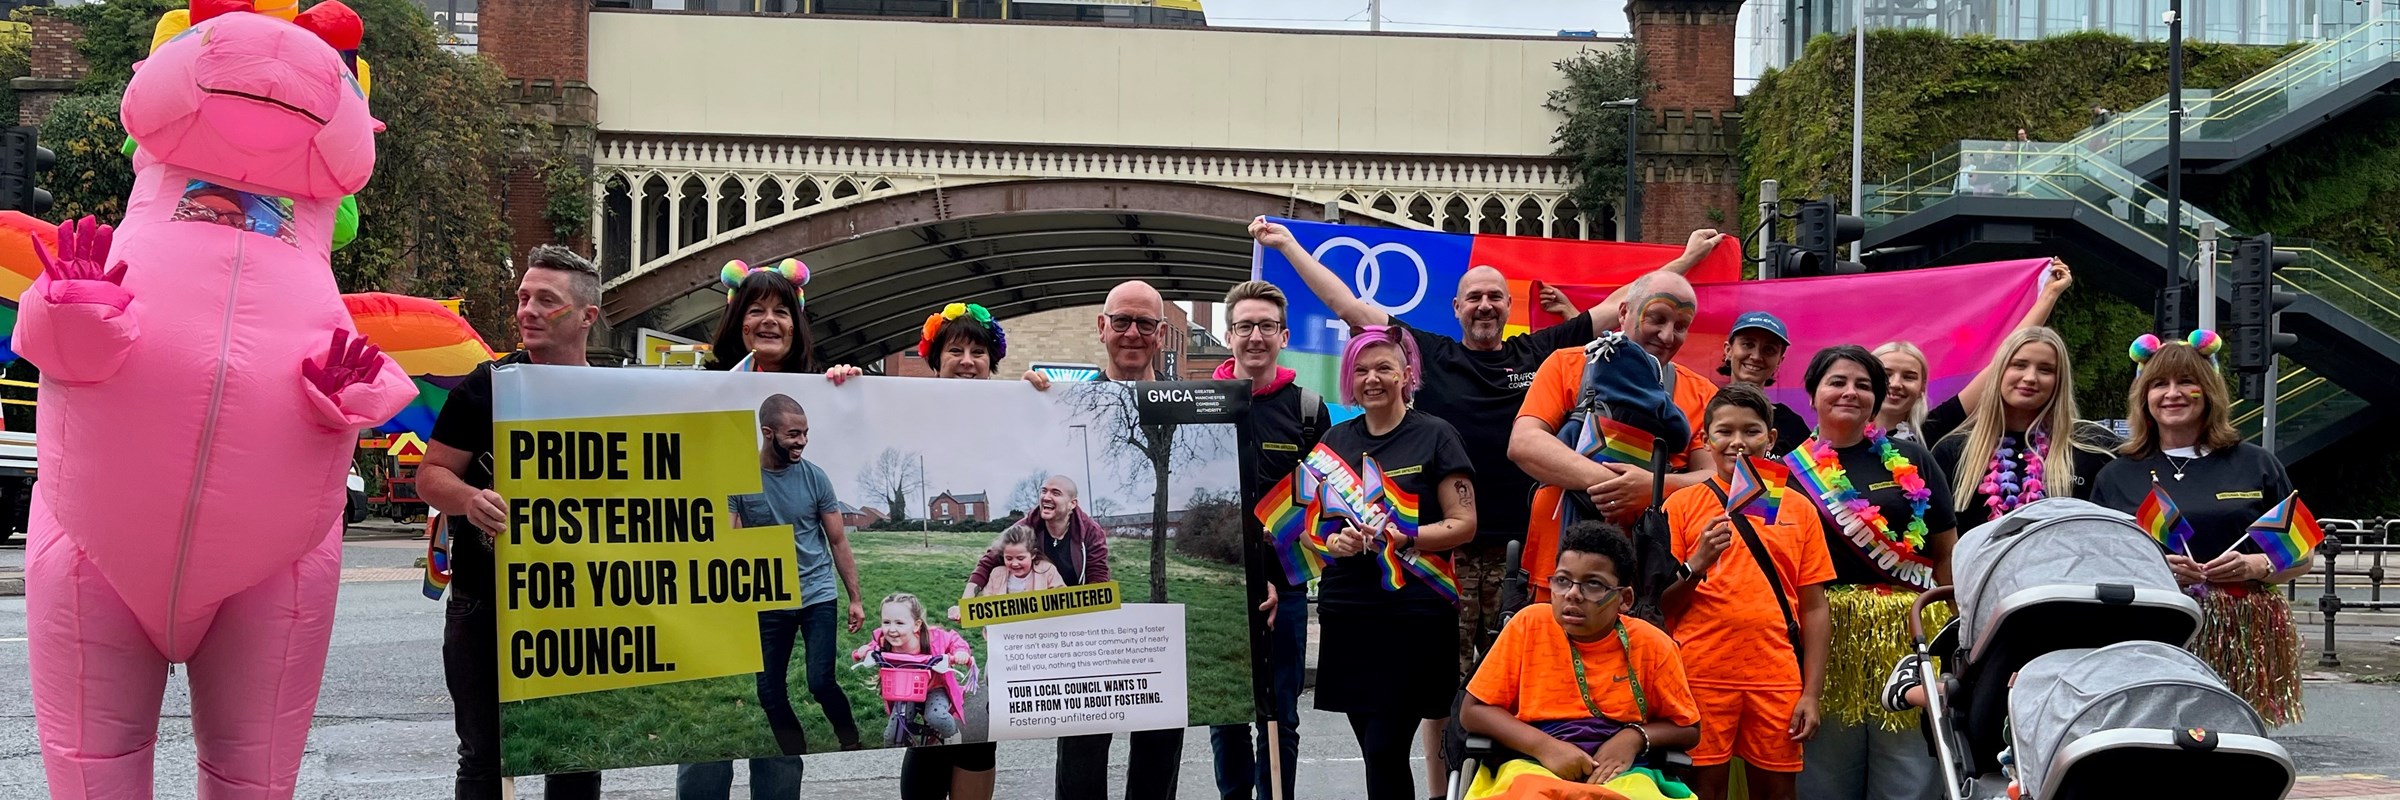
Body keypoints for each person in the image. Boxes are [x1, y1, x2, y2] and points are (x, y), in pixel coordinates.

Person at [1263, 219, 1722, 789]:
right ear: (1455, 307)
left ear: (1509, 307)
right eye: (1473, 297)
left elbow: (1628, 305)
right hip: (1442, 560)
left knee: (1529, 685)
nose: (1484, 305)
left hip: (1529, 559)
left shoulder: (1543, 351)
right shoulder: (1427, 356)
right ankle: (1442, 791)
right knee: (1447, 692)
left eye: (1495, 296)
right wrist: (1287, 247)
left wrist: (1684, 260)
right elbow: (1351, 306)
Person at [420, 245, 608, 800]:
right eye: (523, 297)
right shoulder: (487, 384)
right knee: (483, 756)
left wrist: (843, 388)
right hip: (485, 602)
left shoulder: (622, 396)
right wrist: (470, 498)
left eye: (545, 300)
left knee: (576, 756)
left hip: (585, 607)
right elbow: (431, 475)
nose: (526, 310)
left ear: (587, 316)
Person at [677, 264, 869, 800]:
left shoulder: (818, 387)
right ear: (736, 319)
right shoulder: (705, 388)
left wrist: (849, 389)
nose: (769, 321)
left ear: (797, 323)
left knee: (811, 691)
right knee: (711, 753)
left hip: (809, 592)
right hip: (757, 592)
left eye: (781, 311)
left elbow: (836, 537)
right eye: (755, 309)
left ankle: (827, 742)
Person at [2091, 332, 2310, 726]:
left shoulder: (2255, 463)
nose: (2172, 393)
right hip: (2150, 630)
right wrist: (2156, 572)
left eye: (2186, 383)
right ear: (2144, 396)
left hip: (2241, 631)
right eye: (2159, 384)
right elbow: (2098, 562)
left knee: (2234, 740)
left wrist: (2258, 565)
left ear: (2208, 391)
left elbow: (2303, 552)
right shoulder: (2117, 474)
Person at [1311, 325, 1479, 800]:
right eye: (1361, 369)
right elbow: (1314, 526)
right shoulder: (1335, 438)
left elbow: (1463, 523)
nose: (1372, 378)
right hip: (1348, 611)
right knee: (1374, 748)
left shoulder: (1436, 435)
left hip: (1414, 613)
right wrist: (1336, 542)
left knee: (1385, 745)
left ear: (1407, 374)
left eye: (1384, 367)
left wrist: (1403, 536)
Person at [1787, 346, 1960, 800]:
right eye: (1837, 382)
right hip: (1823, 633)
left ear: (1876, 398)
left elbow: (1947, 553)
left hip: (1909, 630)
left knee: (1909, 769)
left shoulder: (1913, 460)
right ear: (1813, 393)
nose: (1850, 392)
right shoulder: (1783, 473)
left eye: (1864, 385)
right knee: (1824, 772)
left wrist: (1957, 631)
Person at [886, 301, 1034, 800]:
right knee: (928, 726)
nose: (968, 360)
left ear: (993, 363)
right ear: (936, 359)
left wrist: (1045, 399)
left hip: (997, 592)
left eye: (979, 352)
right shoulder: (905, 409)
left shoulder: (1016, 414)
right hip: (928, 600)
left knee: (978, 725)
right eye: (956, 351)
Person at [1659, 384, 1834, 800]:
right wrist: (1696, 563)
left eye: (1751, 432)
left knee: (1777, 790)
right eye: (1724, 432)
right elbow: (1660, 604)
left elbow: (1813, 607)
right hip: (1699, 676)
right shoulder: (1681, 505)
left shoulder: (1798, 508)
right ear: (1706, 440)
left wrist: (1811, 693)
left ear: (1770, 440)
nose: (1737, 443)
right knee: (1703, 790)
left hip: (1776, 679)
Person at [1509, 270, 1719, 604]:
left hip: (1643, 587)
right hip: (1556, 581)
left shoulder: (1701, 393)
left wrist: (1649, 489)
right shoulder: (1568, 364)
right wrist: (1612, 484)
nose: (1667, 336)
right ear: (1624, 313)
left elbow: (1713, 478)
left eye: (1680, 326)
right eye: (1657, 318)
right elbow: (1524, 444)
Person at [1460, 521, 1702, 796]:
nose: (1573, 594)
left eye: (1594, 584)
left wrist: (1634, 738)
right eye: (1562, 581)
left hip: (1624, 769)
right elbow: (1474, 711)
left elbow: (1688, 728)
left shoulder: (1653, 643)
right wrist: (1544, 747)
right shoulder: (1529, 624)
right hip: (1532, 761)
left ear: (1624, 598)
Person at [1207, 280, 1329, 800]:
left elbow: (1317, 510)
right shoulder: (1199, 402)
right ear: (1228, 335)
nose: (1254, 337)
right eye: (1243, 327)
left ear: (1282, 336)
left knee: (1281, 716)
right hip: (1222, 589)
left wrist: (1276, 580)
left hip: (1289, 592)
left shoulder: (1308, 409)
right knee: (1226, 714)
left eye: (1265, 327)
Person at [1930, 326, 2119, 535]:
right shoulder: (1954, 450)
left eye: (2045, 370)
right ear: (1999, 371)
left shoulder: (2093, 446)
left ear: (2059, 380)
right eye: (2019, 365)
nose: (2030, 377)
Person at [1876, 259, 2075, 444]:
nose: (1896, 384)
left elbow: (2001, 361)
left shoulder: (1930, 430)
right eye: (1886, 375)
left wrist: (2049, 295)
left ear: (1922, 387)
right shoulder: (1845, 434)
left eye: (1909, 377)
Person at [853, 594, 977, 746]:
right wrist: (864, 651)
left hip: (934, 688)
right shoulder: (883, 639)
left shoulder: (933, 639)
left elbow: (953, 640)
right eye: (886, 622)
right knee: (891, 735)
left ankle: (952, 736)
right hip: (905, 690)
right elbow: (873, 647)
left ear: (916, 625)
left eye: (899, 623)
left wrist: (960, 653)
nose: (892, 629)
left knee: (936, 716)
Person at [1717, 311, 1810, 455]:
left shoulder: (1792, 425)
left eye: (1769, 350)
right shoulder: (1702, 407)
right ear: (1729, 350)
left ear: (1779, 360)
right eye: (1748, 344)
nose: (1756, 356)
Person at [977, 526, 1066, 597]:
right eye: (1009, 558)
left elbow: (1062, 598)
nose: (1015, 564)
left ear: (1033, 554)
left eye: (1020, 558)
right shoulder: (996, 574)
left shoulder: (1047, 570)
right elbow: (986, 601)